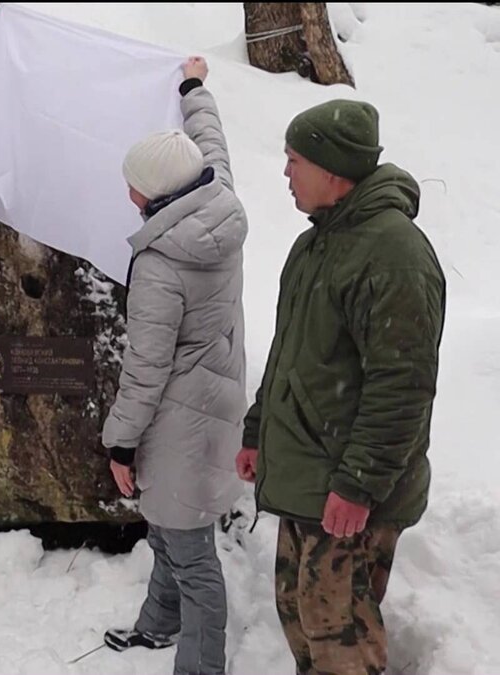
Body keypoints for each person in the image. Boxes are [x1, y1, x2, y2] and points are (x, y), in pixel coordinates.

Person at [237, 97, 445, 675]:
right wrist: (258, 430)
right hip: (308, 478)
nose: (285, 173)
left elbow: (402, 386)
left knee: (342, 643)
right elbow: (289, 354)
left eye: (294, 160)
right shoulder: (314, 246)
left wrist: (358, 484)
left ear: (333, 170)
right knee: (302, 621)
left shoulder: (394, 255)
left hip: (347, 491)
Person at [99, 57, 246, 675]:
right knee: (168, 528)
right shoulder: (217, 201)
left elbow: (146, 368)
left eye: (132, 185)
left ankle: (202, 666)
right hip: (214, 405)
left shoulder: (161, 265)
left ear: (156, 194)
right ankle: (159, 624)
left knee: (192, 557)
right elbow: (213, 145)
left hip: (178, 422)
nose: (128, 194)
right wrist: (193, 88)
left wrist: (120, 443)